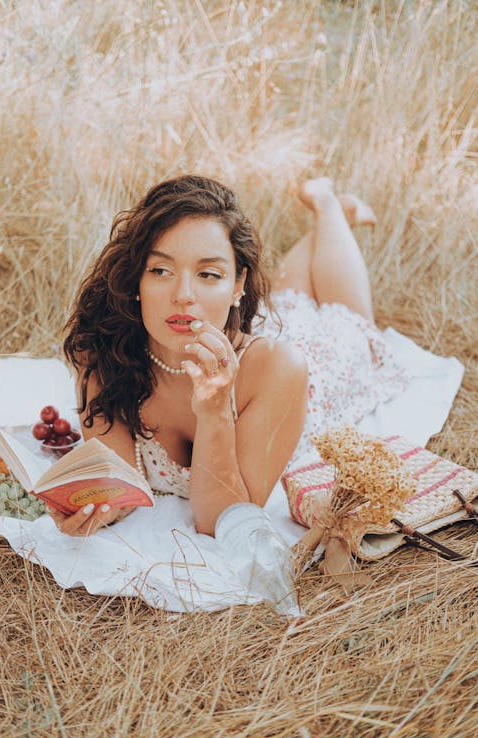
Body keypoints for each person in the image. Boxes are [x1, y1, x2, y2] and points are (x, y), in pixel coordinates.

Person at [57, 175, 409, 538]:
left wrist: (214, 412)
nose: (183, 295)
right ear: (135, 279)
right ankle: (332, 213)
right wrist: (92, 510)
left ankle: (329, 205)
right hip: (254, 327)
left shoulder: (280, 368)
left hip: (322, 357)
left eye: (209, 274)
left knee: (351, 322)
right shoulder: (101, 352)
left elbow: (220, 520)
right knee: (289, 299)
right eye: (161, 270)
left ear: (237, 285)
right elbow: (119, 487)